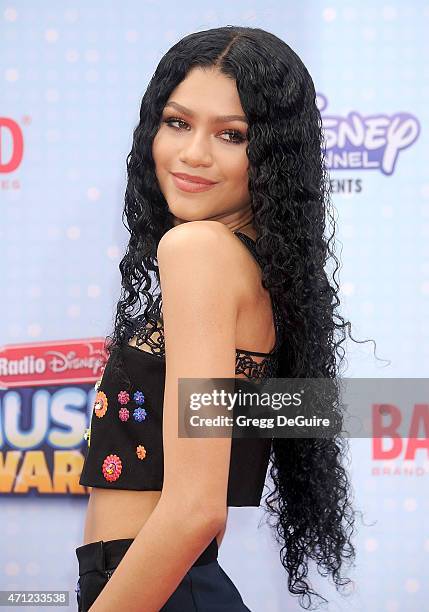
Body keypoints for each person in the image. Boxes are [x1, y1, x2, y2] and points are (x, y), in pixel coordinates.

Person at [75, 25, 379, 612]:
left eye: (231, 135)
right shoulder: (253, 268)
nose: (193, 153)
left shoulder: (198, 252)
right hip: (172, 582)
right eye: (177, 122)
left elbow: (196, 508)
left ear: (268, 153)